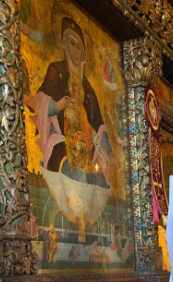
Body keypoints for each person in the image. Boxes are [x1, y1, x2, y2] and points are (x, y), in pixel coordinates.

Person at [26, 16, 111, 186]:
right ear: (65, 44)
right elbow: (40, 100)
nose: (76, 50)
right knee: (66, 161)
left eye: (79, 46)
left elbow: (99, 123)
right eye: (72, 44)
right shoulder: (56, 70)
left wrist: (101, 140)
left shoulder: (88, 87)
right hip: (61, 138)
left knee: (97, 174)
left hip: (85, 144)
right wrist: (57, 106)